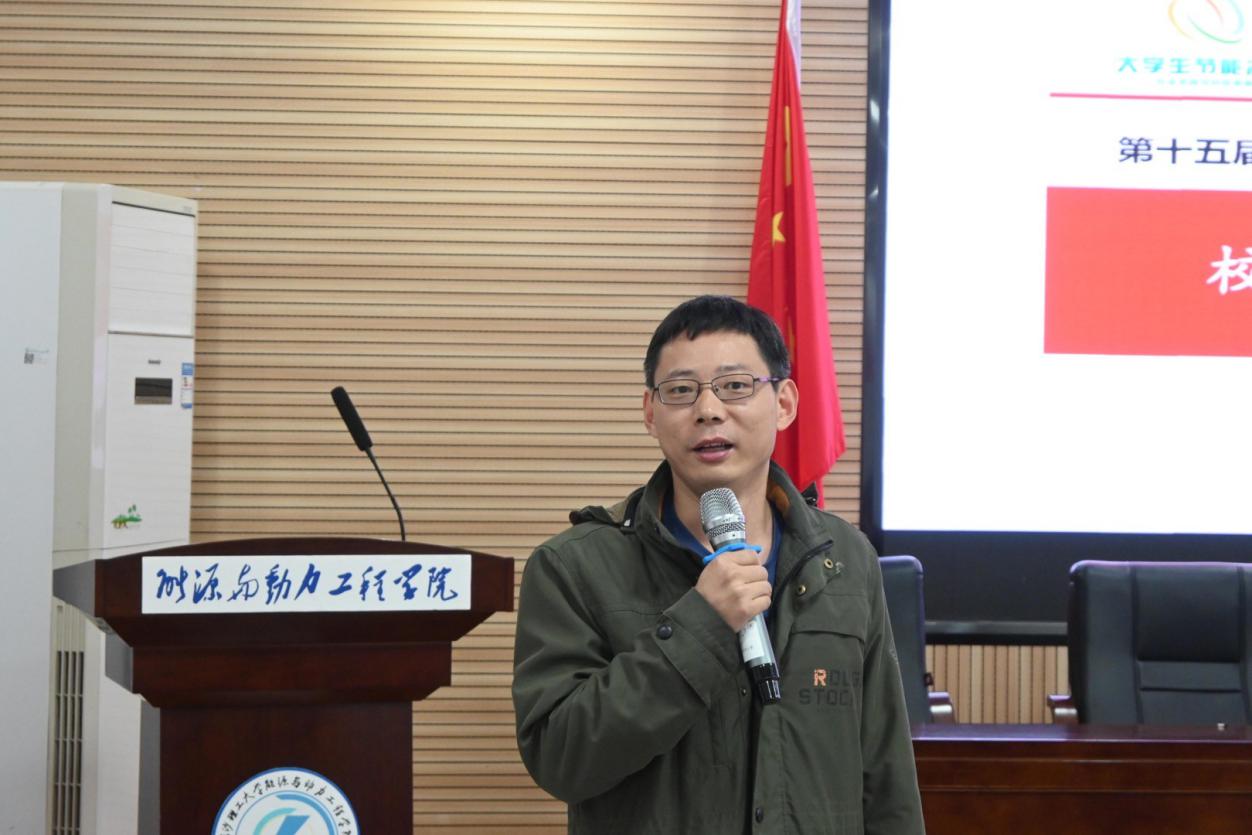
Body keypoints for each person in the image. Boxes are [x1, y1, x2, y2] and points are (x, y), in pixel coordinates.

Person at [512, 295, 924, 834]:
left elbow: (885, 772)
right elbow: (560, 757)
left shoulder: (844, 559)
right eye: (681, 391)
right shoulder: (574, 566)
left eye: (735, 386)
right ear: (650, 412)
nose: (708, 410)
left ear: (784, 403)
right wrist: (701, 624)